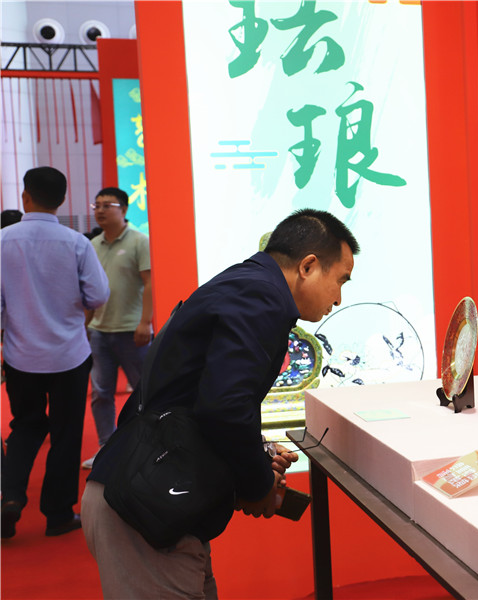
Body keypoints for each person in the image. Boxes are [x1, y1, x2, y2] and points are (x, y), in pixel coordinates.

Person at [81, 208, 358, 598]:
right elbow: (225, 409)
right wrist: (259, 485)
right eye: (340, 280)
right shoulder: (262, 297)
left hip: (146, 496)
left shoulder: (246, 285)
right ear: (308, 266)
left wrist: (257, 453)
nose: (339, 298)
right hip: (143, 510)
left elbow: (199, 400)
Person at [0, 166, 110, 539]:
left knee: (25, 426)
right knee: (66, 433)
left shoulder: (3, 241)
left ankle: (10, 496)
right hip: (69, 356)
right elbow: (98, 295)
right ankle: (59, 514)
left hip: (21, 356)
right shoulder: (76, 242)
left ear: (25, 197)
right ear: (62, 200)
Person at [81, 187, 153, 470]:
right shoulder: (92, 245)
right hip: (99, 331)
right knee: (101, 393)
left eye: (106, 205)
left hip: (132, 331)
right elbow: (88, 291)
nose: (99, 210)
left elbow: (150, 283)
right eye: (96, 205)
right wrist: (84, 325)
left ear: (123, 209)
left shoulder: (139, 241)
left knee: (145, 393)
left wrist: (145, 322)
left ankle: (149, 448)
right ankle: (106, 449)